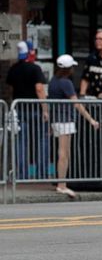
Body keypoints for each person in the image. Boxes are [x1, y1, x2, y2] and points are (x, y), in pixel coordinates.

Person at [48, 54, 100, 199]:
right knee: (64, 153)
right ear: (68, 69)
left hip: (57, 119)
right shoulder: (66, 83)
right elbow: (76, 104)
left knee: (64, 153)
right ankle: (62, 185)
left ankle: (62, 183)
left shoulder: (53, 81)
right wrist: (91, 120)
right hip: (65, 120)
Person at [5, 41, 50, 180]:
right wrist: (45, 109)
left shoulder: (13, 69)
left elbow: (11, 89)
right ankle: (41, 174)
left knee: (21, 143)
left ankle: (22, 175)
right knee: (41, 141)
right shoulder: (35, 68)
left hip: (20, 109)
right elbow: (39, 89)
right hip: (35, 110)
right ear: (30, 53)